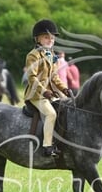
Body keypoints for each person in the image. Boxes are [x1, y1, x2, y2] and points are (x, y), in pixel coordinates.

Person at [23, 19, 71, 157]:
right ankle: (47, 146)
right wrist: (45, 91)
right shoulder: (33, 55)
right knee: (51, 114)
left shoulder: (51, 55)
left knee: (65, 108)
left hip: (50, 93)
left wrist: (64, 89)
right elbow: (32, 78)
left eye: (52, 37)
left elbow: (54, 77)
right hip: (36, 94)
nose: (50, 40)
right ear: (37, 39)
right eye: (46, 37)